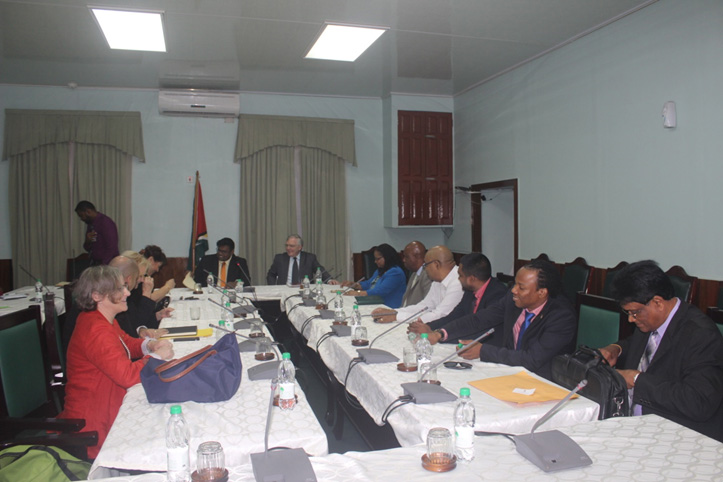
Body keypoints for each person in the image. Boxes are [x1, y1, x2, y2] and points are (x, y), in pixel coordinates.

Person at [598, 260, 723, 442]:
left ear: (657, 302)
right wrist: (617, 348)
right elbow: (645, 346)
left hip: (680, 434)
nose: (631, 319)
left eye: (634, 312)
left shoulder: (701, 335)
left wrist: (636, 380)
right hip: (634, 423)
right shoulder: (649, 321)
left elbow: (698, 402)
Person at [60, 266, 174, 458]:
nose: (127, 293)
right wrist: (157, 357)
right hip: (93, 425)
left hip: (109, 404)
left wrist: (150, 345)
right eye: (120, 289)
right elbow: (127, 376)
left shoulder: (100, 319)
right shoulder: (96, 330)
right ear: (97, 296)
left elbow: (125, 342)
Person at [411, 259, 576, 380]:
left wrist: (483, 351)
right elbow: (479, 319)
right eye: (515, 284)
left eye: (521, 287)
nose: (514, 290)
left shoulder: (561, 316)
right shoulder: (513, 300)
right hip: (509, 371)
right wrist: (440, 334)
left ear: (542, 292)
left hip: (542, 381)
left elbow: (532, 359)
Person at [420, 253, 508, 335]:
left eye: (460, 276)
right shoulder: (470, 291)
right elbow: (454, 316)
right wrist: (429, 327)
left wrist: (441, 335)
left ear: (471, 279)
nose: (458, 279)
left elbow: (482, 327)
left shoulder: (498, 294)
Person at [372, 246, 463, 323]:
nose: (425, 269)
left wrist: (396, 317)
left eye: (426, 265)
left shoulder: (458, 282)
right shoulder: (437, 280)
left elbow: (440, 315)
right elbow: (424, 307)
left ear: (436, 265)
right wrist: (394, 312)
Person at [111, 255, 172, 337]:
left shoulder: (129, 293)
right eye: (139, 276)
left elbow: (134, 323)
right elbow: (136, 323)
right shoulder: (119, 299)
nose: (142, 279)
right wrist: (147, 293)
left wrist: (157, 316)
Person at [341, 243, 407, 308]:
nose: (375, 261)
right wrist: (354, 285)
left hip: (389, 307)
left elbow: (380, 291)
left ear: (387, 257)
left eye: (378, 259)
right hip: (376, 303)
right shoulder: (380, 270)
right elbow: (369, 284)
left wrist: (358, 293)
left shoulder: (395, 273)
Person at [266, 234, 339, 285]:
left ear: (299, 247)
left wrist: (329, 280)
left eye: (291, 246)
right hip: (284, 290)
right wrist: (274, 288)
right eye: (287, 245)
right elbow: (271, 275)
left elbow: (320, 270)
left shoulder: (310, 258)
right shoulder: (279, 258)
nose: (288, 248)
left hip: (304, 290)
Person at [75, 201, 119, 265]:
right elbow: (88, 248)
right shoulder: (90, 224)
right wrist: (87, 241)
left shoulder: (105, 222)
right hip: (95, 262)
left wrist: (104, 265)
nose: (81, 219)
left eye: (81, 216)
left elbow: (112, 247)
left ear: (88, 212)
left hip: (107, 264)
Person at [401, 241, 432, 307]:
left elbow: (428, 305)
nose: (404, 260)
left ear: (417, 257)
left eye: (406, 257)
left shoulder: (428, 275)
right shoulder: (414, 273)